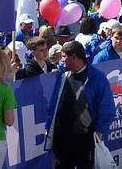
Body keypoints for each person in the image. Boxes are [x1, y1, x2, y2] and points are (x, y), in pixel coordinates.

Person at [46, 41, 116, 169]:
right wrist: (48, 126)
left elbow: (107, 107)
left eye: (64, 57)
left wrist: (100, 131)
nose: (62, 61)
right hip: (61, 138)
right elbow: (53, 104)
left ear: (74, 57)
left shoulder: (97, 78)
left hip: (84, 139)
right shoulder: (62, 76)